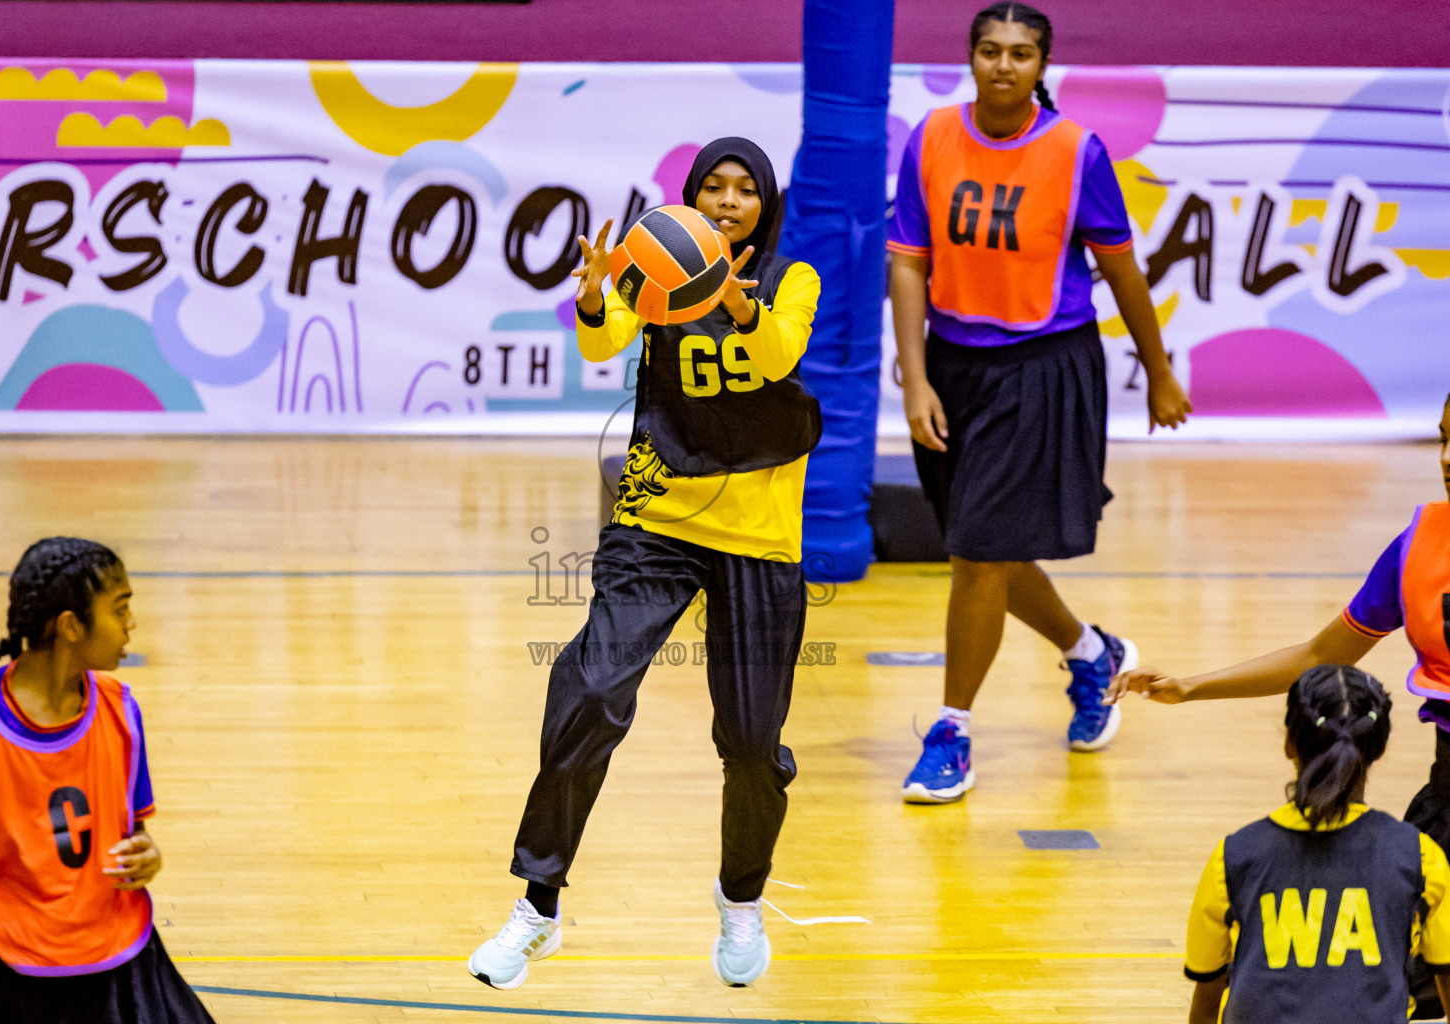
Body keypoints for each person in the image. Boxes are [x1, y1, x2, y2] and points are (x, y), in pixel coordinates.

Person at [468, 138, 821, 990]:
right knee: (589, 689)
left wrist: (739, 307)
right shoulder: (649, 263)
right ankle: (537, 905)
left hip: (759, 536)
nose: (728, 200)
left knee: (749, 743)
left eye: (744, 190)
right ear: (691, 195)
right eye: (713, 185)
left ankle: (741, 896)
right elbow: (603, 342)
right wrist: (595, 298)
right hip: (655, 516)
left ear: (765, 205)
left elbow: (777, 356)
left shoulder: (792, 280)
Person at [886, 1, 1192, 804]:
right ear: (971, 58)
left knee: (980, 555)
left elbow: (1123, 271)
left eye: (1021, 53)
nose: (1003, 65)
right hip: (954, 364)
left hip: (1042, 368)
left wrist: (1158, 370)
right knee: (977, 548)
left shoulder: (1074, 150)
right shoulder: (933, 137)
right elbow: (910, 262)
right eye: (989, 50)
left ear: (1041, 66)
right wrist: (914, 376)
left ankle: (951, 732)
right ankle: (1093, 654)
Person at [1111, 390, 1450, 1017]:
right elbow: (1322, 653)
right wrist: (1191, 687)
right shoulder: (1420, 542)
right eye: (1443, 438)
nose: (1449, 458)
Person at [0, 537, 214, 1024]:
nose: (131, 624)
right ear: (72, 626)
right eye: (121, 609)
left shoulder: (120, 709)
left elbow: (132, 833)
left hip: (112, 954)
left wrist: (146, 854)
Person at [1181, 665, 1450, 1024]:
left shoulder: (1233, 856)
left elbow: (1206, 992)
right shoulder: (1420, 856)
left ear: (1289, 744)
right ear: (1381, 748)